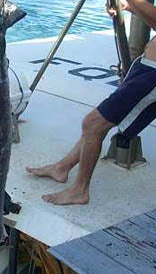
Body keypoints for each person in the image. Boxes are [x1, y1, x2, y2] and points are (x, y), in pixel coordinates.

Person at [26, 0, 156, 205]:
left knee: (93, 123)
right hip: (145, 66)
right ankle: (63, 168)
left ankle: (80, 190)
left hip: (152, 77)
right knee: (97, 123)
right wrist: (131, 7)